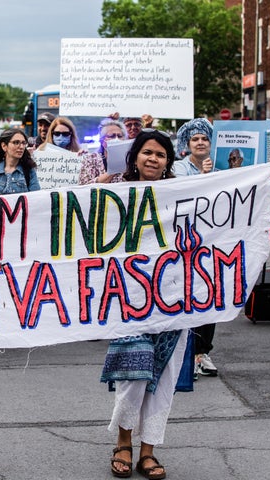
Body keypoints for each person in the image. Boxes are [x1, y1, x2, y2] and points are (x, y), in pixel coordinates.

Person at [101, 130, 187, 480]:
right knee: (132, 376)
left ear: (169, 161)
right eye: (147, 153)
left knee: (163, 378)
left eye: (161, 155)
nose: (153, 159)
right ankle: (123, 443)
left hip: (175, 299)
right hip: (129, 300)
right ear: (135, 157)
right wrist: (99, 183)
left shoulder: (183, 194)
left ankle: (149, 450)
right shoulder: (114, 193)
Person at [173, 118, 218, 377]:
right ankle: (184, 355)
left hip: (213, 243)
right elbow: (182, 194)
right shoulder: (180, 168)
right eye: (195, 139)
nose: (200, 142)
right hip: (185, 244)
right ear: (187, 144)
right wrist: (203, 177)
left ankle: (202, 353)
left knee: (210, 297)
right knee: (185, 296)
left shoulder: (223, 166)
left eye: (205, 139)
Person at [0, 128, 40, 194]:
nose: (21, 147)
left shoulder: (28, 170)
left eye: (23, 143)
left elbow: (35, 197)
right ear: (4, 146)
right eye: (16, 142)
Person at [79, 118, 128, 185]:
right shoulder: (91, 159)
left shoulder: (129, 159)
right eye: (112, 136)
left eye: (120, 136)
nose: (117, 139)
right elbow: (84, 186)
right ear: (102, 140)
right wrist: (114, 169)